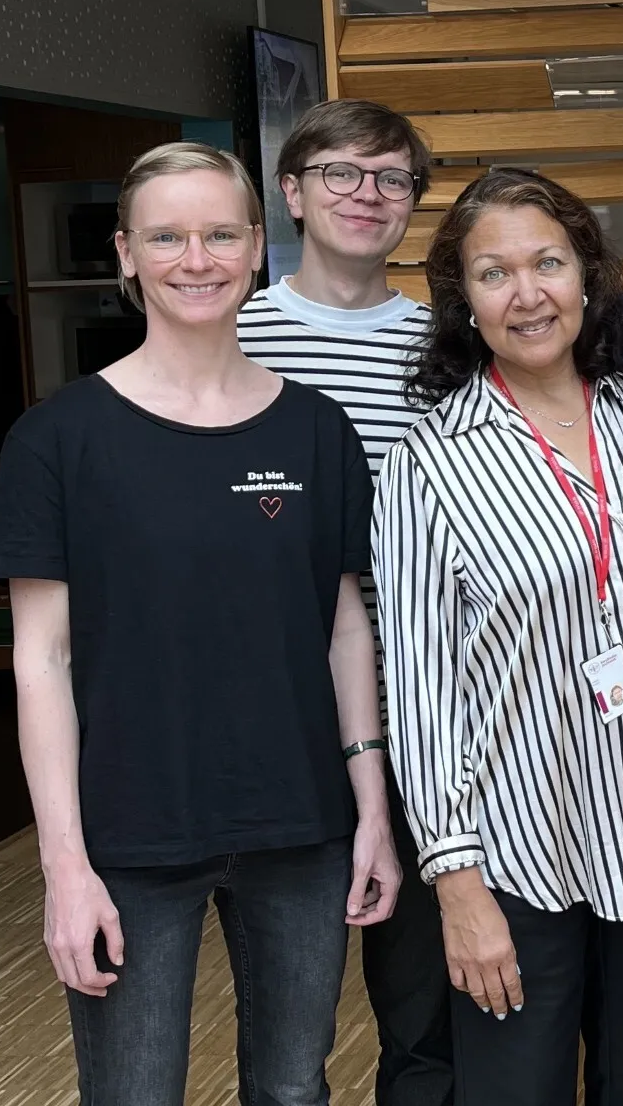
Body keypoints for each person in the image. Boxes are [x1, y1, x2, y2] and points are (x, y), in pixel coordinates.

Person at [0, 141, 398, 1106]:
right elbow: (40, 660)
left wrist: (370, 811)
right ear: (125, 253)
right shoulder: (58, 438)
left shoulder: (316, 430)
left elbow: (343, 631)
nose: (195, 259)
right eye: (166, 236)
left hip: (300, 825)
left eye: (219, 234)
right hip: (129, 836)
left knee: (294, 1091)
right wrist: (64, 868)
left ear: (258, 248)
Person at [374, 168, 623, 1106]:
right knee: (516, 1090)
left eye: (548, 263)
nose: (528, 294)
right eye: (495, 274)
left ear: (588, 276)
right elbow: (419, 684)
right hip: (519, 843)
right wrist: (453, 880)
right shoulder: (430, 461)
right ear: (464, 302)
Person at [236, 100, 447, 1106]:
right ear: (292, 190)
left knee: (422, 1012)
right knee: (289, 1029)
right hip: (273, 724)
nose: (368, 194)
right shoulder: (231, 333)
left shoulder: (447, 349)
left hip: (413, 721)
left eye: (392, 177)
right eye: (342, 173)